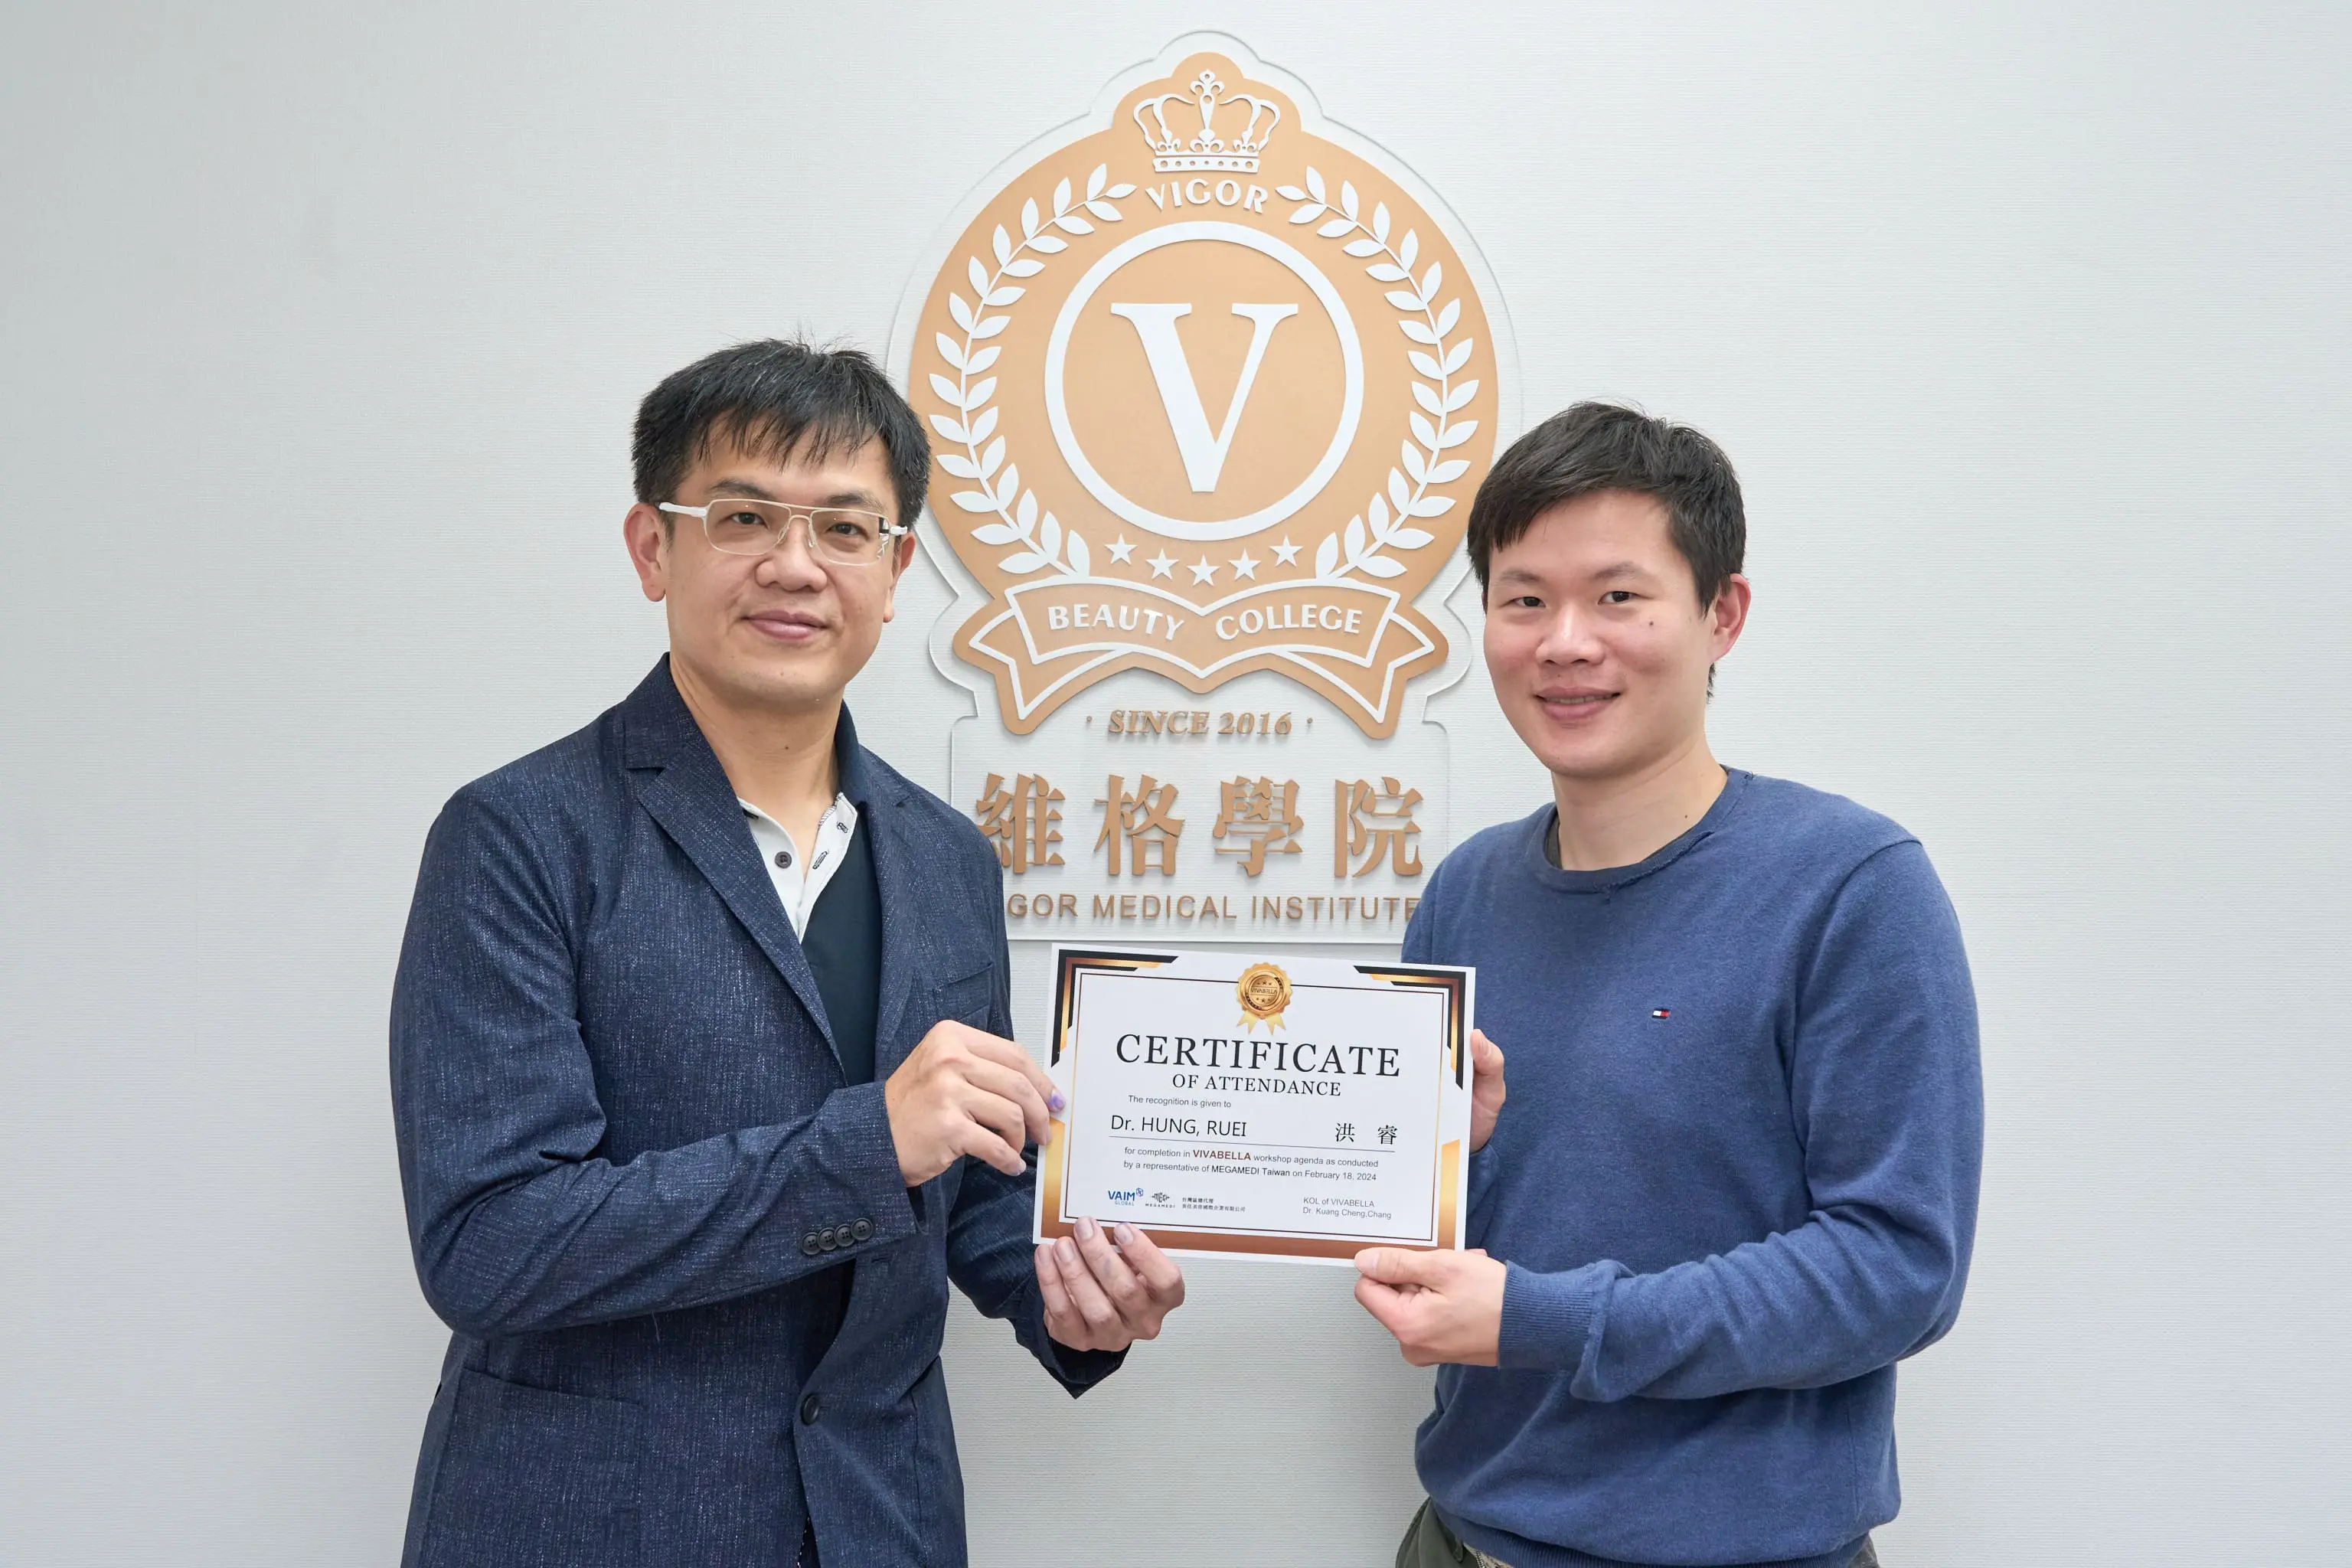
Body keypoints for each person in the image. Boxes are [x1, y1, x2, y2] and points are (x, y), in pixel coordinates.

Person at [390, 340, 1184, 1568]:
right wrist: (867, 1145)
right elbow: (490, 1243)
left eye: (846, 528)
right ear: (653, 548)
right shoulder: (519, 836)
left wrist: (1075, 1295)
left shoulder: (949, 860)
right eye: (744, 516)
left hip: (879, 1523)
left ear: (897, 568)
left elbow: (971, 1188)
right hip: (595, 1524)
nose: (797, 565)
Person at [1352, 403, 1981, 1568]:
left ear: (1721, 614)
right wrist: (1439, 1166)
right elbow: (1430, 1247)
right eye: (1523, 600)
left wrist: (1545, 1319)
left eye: (1618, 596)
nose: (1565, 643)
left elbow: (1899, 1270)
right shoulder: (1465, 892)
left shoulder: (1851, 886)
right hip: (1464, 1539)